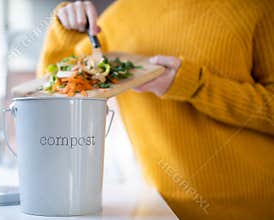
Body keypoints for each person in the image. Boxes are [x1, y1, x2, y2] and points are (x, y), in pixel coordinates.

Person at [37, 0, 274, 219]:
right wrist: (63, 34)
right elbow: (51, 103)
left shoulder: (259, 8)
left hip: (256, 207)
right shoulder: (111, 22)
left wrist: (195, 86)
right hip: (160, 209)